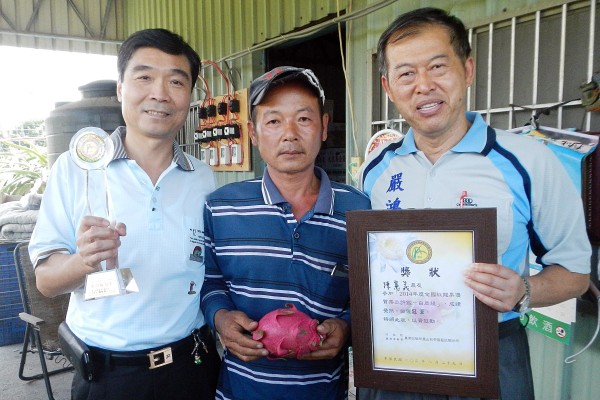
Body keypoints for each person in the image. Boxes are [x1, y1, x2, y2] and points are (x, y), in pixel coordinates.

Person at [359, 7, 591, 400]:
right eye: (406, 74)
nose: (424, 85)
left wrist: (524, 291)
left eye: (437, 67)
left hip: (494, 347)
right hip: (398, 348)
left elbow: (576, 273)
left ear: (467, 70)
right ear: (388, 87)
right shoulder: (377, 171)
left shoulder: (528, 160)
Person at [29, 28, 220, 400]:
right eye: (144, 77)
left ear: (189, 96)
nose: (159, 93)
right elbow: (47, 282)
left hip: (192, 367)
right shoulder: (75, 168)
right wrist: (83, 261)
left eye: (176, 81)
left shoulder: (202, 177)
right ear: (120, 89)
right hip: (108, 377)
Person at [200, 66, 371, 399]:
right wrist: (220, 317)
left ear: (323, 127)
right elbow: (209, 280)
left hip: (323, 391)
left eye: (303, 119)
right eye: (274, 121)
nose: (289, 134)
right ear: (252, 131)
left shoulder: (358, 210)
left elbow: (368, 292)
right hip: (240, 390)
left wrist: (347, 326)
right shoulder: (222, 208)